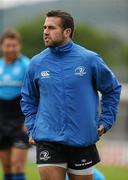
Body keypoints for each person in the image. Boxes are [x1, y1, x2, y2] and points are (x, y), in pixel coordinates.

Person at [21, 10, 121, 180]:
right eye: (44, 27)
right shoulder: (36, 63)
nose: (45, 31)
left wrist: (106, 121)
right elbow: (28, 98)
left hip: (82, 139)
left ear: (67, 32)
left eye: (51, 28)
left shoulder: (89, 60)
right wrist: (32, 126)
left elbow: (112, 89)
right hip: (48, 139)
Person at [0, 29, 30, 180]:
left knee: (17, 164)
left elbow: (35, 94)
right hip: (2, 120)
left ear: (19, 46)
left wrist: (29, 119)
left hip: (20, 121)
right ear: (2, 47)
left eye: (14, 45)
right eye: (8, 45)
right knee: (6, 166)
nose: (11, 48)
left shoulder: (27, 65)